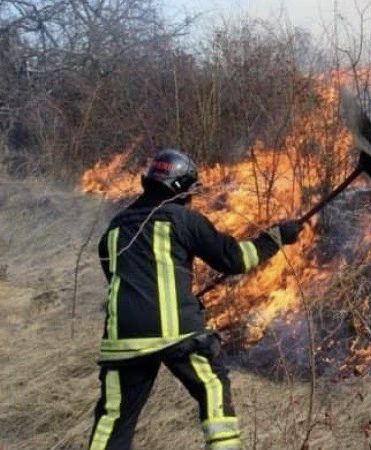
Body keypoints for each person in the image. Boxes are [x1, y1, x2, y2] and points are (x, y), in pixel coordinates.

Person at [88, 148, 301, 450]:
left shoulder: (114, 229)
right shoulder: (183, 219)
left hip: (122, 339)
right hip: (175, 333)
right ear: (180, 187)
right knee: (211, 387)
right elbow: (234, 259)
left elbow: (120, 278)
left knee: (113, 417)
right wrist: (275, 237)